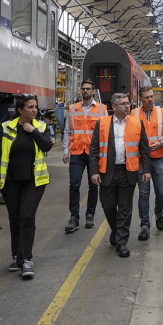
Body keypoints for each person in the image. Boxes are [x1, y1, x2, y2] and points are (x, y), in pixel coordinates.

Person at [0, 95, 53, 279]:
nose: (34, 110)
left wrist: (33, 131)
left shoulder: (40, 126)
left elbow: (47, 146)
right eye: (30, 107)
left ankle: (27, 260)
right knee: (15, 218)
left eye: (36, 107)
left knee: (27, 216)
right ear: (20, 110)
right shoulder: (6, 126)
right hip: (11, 181)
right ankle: (17, 257)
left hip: (35, 181)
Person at [90, 93, 152, 258]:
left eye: (128, 103)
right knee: (108, 205)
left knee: (125, 208)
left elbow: (144, 149)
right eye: (123, 104)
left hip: (128, 171)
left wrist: (147, 170)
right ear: (114, 107)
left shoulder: (137, 123)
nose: (127, 106)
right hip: (106, 171)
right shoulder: (102, 123)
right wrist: (94, 171)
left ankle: (122, 243)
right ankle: (116, 231)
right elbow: (94, 149)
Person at [62, 80, 107, 233]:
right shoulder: (73, 109)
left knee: (93, 185)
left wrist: (105, 154)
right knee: (74, 185)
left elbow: (105, 133)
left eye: (88, 89)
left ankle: (90, 215)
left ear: (93, 91)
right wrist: (65, 151)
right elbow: (67, 131)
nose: (85, 91)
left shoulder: (102, 109)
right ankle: (74, 218)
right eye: (83, 89)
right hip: (76, 152)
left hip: (94, 154)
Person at [130, 87, 163, 240]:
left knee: (161, 192)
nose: (150, 99)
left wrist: (161, 143)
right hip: (142, 160)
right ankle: (144, 226)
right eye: (147, 97)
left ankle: (158, 212)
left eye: (151, 96)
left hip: (159, 158)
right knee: (144, 193)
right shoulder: (134, 114)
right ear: (140, 99)